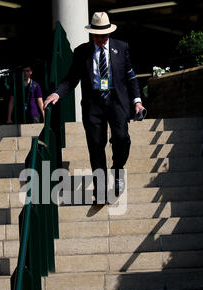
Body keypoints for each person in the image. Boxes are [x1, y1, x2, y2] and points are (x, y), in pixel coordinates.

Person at [44, 12, 145, 203]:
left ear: (109, 34)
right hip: (93, 105)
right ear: (92, 34)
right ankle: (100, 190)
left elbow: (130, 77)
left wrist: (137, 101)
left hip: (117, 102)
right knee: (96, 147)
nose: (100, 39)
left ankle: (117, 169)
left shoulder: (121, 48)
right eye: (97, 35)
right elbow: (72, 78)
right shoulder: (81, 52)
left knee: (122, 138)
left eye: (104, 35)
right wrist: (57, 93)